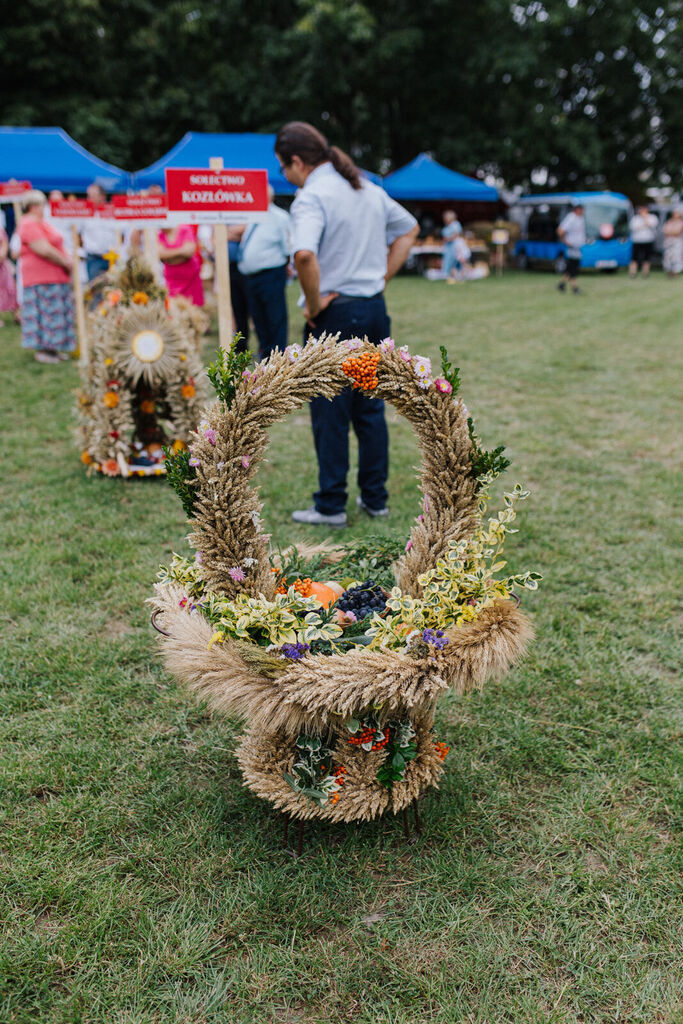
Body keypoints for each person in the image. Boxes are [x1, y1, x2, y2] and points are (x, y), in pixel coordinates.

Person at [275, 121, 419, 527]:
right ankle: (375, 499)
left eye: (283, 169)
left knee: (330, 411)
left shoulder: (311, 196)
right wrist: (381, 278)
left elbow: (304, 255)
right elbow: (409, 230)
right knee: (370, 409)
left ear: (298, 162)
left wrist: (315, 304)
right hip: (373, 309)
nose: (285, 177)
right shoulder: (368, 190)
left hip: (334, 315)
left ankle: (331, 505)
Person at [17, 190, 76, 363]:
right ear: (34, 206)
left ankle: (55, 349)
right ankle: (43, 350)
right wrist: (65, 262)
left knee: (56, 313)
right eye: (43, 205)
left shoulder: (43, 223)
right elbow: (43, 248)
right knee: (45, 313)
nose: (45, 208)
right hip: (40, 278)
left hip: (55, 277)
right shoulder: (28, 223)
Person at [236, 186, 291, 360]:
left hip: (271, 274)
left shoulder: (280, 217)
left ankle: (278, 355)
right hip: (251, 277)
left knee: (274, 317)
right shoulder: (253, 216)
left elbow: (287, 248)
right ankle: (265, 353)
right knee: (258, 318)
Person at [158, 224, 204, 306]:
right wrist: (181, 251)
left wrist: (169, 255)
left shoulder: (184, 228)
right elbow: (160, 254)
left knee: (195, 310)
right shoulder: (160, 234)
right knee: (173, 309)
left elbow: (189, 251)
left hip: (191, 280)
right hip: (172, 282)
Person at [80, 183, 118, 282]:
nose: (89, 199)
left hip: (113, 258)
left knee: (115, 291)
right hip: (94, 258)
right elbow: (78, 235)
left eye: (92, 196)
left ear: (102, 196)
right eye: (88, 196)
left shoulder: (114, 213)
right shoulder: (85, 215)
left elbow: (122, 235)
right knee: (95, 291)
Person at [557, 202, 585, 294]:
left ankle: (562, 284)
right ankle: (575, 288)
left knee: (571, 267)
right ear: (577, 209)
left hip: (577, 246)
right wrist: (565, 240)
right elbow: (560, 230)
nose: (583, 211)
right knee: (574, 268)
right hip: (572, 247)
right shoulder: (571, 218)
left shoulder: (580, 218)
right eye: (581, 209)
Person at [629, 205, 658, 278]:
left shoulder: (652, 217)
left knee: (647, 258)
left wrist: (645, 219)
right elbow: (633, 228)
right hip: (637, 241)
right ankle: (633, 273)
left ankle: (645, 273)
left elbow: (652, 225)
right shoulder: (635, 218)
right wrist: (643, 225)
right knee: (634, 258)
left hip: (648, 240)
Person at [0, 225, 19, 324]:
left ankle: (17, 314)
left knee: (10, 288)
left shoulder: (0, 229)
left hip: (2, 266)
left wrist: (2, 255)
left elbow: (4, 244)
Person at [441, 209, 463, 282]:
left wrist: (448, 239)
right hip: (447, 247)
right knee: (447, 260)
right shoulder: (448, 225)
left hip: (454, 246)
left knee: (453, 260)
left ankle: (454, 275)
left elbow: (456, 235)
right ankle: (448, 274)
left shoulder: (455, 225)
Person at [661, 209, 683, 277]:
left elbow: (677, 232)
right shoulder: (669, 222)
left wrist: (670, 232)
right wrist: (671, 232)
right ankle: (669, 271)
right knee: (667, 257)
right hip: (668, 242)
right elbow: (664, 230)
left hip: (676, 242)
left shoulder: (681, 222)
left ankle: (675, 271)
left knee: (676, 257)